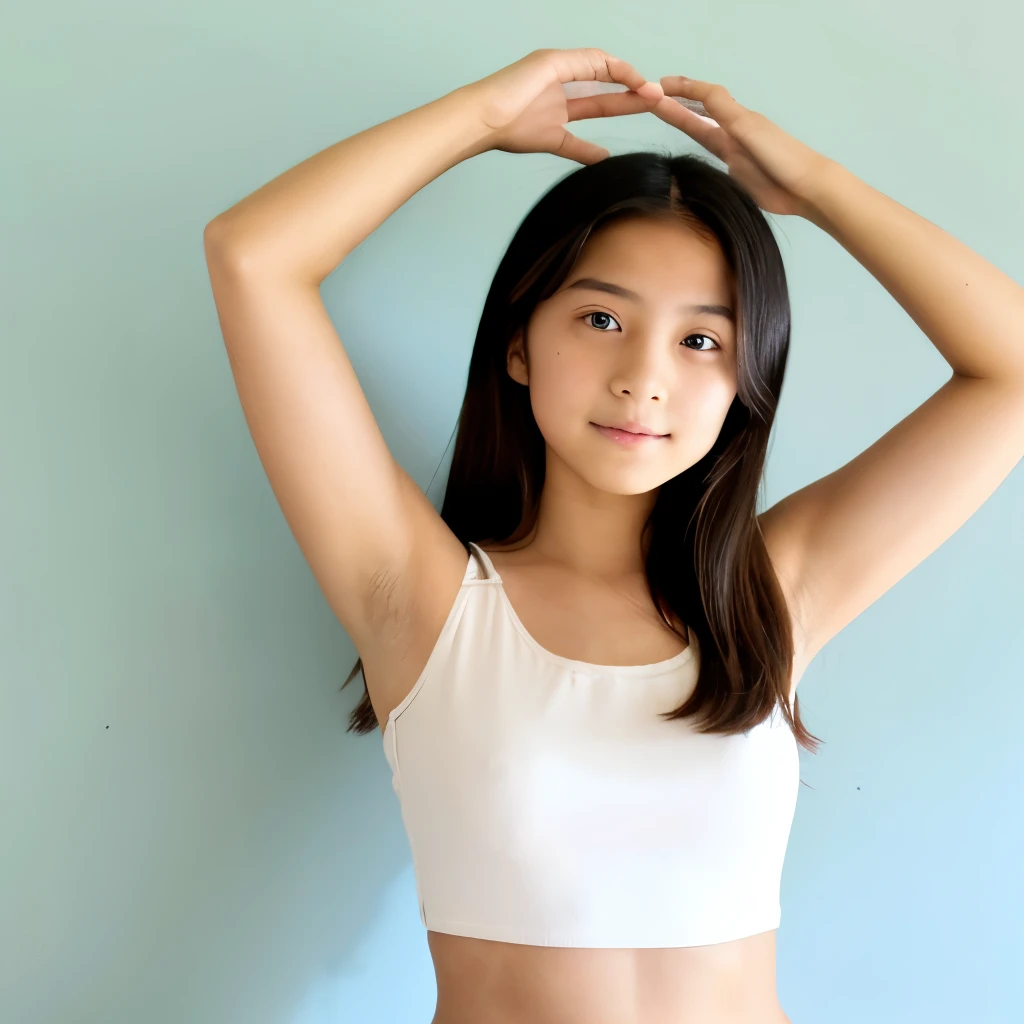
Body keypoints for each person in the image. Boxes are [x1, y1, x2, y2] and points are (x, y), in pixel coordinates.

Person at [202, 48, 1024, 1024]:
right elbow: (252, 257)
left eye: (701, 339)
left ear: (743, 379)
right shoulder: (418, 597)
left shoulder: (771, 595)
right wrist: (478, 119)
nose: (645, 377)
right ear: (519, 340)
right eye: (600, 317)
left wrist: (814, 187)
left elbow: (1007, 370)